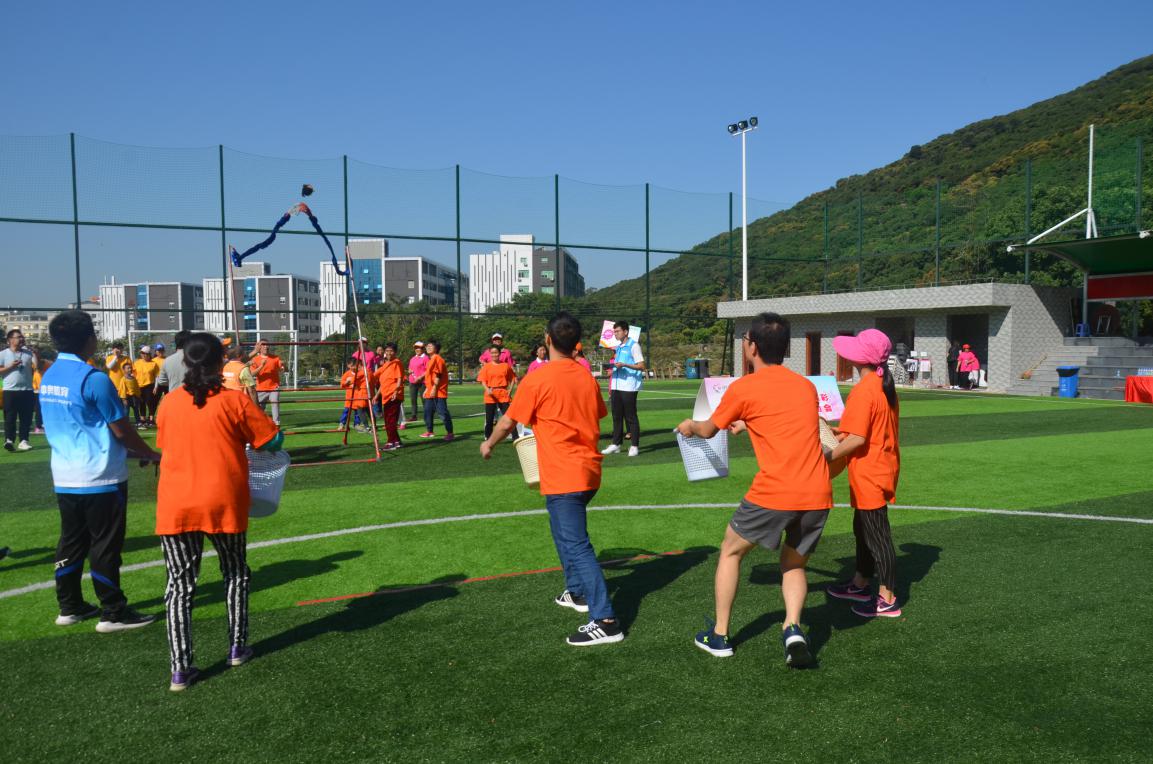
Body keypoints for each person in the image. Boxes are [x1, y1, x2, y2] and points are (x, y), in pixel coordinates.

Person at [677, 312, 831, 667]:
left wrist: (689, 425)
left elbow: (708, 429)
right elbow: (785, 420)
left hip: (776, 491)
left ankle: (719, 635)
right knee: (793, 564)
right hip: (817, 491)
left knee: (731, 551)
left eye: (746, 339)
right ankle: (793, 627)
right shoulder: (805, 386)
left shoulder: (744, 387)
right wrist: (749, 423)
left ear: (753, 348)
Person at [480, 312, 622, 646]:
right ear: (577, 343)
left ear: (547, 339)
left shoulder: (538, 378)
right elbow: (598, 413)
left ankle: (606, 620)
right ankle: (577, 592)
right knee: (561, 532)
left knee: (577, 544)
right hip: (587, 471)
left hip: (564, 474)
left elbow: (508, 421)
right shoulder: (585, 376)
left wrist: (488, 444)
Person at [155, 332, 283, 691]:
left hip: (176, 504)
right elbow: (270, 439)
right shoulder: (233, 401)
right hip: (223, 499)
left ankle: (180, 668)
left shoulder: (169, 403)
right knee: (236, 573)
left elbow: (165, 443)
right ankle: (237, 647)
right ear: (218, 362)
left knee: (179, 586)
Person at [40, 310, 160, 633]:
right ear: (89, 339)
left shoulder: (49, 375)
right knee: (105, 545)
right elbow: (121, 430)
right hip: (100, 477)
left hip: (64, 476)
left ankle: (70, 606)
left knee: (71, 541)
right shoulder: (93, 378)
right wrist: (148, 452)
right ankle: (113, 612)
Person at [827, 329, 903, 618]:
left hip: (870, 473)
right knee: (863, 529)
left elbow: (857, 439)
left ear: (860, 358)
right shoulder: (882, 385)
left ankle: (887, 598)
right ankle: (860, 583)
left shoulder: (864, 390)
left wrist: (825, 458)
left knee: (877, 537)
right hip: (880, 468)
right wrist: (840, 432)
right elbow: (863, 431)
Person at [602, 320, 645, 458]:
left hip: (629, 386)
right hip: (616, 385)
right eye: (614, 331)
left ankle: (634, 446)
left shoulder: (634, 345)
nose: (615, 334)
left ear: (625, 332)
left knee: (630, 416)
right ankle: (616, 444)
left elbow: (641, 366)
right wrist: (612, 370)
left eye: (617, 331)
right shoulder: (619, 347)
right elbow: (618, 365)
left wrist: (625, 365)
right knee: (616, 415)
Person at [1, 328, 39, 451]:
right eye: (19, 337)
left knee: (26, 417)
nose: (22, 339)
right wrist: (10, 366)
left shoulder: (28, 353)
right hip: (10, 390)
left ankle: (24, 441)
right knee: (10, 417)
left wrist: (35, 354)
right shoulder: (3, 354)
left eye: (22, 337)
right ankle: (9, 440)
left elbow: (37, 367)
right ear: (10, 340)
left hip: (27, 390)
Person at [477, 344, 518, 440]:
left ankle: (515, 437)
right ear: (490, 354)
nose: (494, 354)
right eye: (492, 353)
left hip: (503, 393)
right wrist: (487, 390)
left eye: (496, 352)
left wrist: (510, 390)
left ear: (499, 353)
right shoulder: (486, 367)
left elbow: (512, 378)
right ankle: (488, 437)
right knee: (490, 419)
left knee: (509, 417)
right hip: (490, 394)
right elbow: (482, 380)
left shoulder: (505, 366)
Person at [374, 343, 405, 450]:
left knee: (390, 420)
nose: (388, 353)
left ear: (395, 352)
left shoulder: (396, 363)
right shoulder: (386, 364)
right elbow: (382, 382)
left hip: (393, 396)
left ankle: (390, 442)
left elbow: (400, 379)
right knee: (389, 420)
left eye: (391, 351)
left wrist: (396, 391)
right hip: (386, 395)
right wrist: (376, 395)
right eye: (387, 351)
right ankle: (397, 441)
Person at [420, 340, 454, 441]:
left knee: (443, 413)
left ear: (436, 348)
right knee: (427, 411)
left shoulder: (438, 359)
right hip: (431, 391)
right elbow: (430, 376)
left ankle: (450, 433)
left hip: (439, 391)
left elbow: (438, 375)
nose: (428, 347)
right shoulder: (430, 359)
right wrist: (427, 388)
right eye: (427, 346)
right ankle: (430, 431)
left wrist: (434, 388)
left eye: (431, 346)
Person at [250, 339, 284, 424]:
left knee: (275, 404)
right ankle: (260, 424)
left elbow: (282, 369)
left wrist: (284, 366)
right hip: (261, 389)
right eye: (263, 345)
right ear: (259, 347)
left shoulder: (276, 358)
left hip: (274, 387)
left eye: (267, 345)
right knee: (259, 409)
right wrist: (261, 366)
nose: (266, 346)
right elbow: (252, 374)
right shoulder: (255, 359)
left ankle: (276, 424)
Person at [133, 345, 161, 428]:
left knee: (150, 402)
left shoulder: (153, 364)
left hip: (149, 385)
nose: (143, 355)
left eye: (145, 353)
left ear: (149, 354)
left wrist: (156, 387)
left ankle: (151, 419)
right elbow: (134, 375)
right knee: (141, 403)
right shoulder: (137, 363)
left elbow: (157, 376)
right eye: (142, 353)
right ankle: (143, 419)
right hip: (139, 386)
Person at [339, 359, 370, 431]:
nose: (353, 367)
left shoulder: (360, 373)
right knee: (346, 411)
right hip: (349, 397)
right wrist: (347, 383)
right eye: (351, 366)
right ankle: (342, 423)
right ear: (348, 366)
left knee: (358, 412)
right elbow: (342, 384)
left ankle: (357, 424)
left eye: (354, 365)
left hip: (358, 397)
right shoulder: (347, 374)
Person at [407, 341, 429, 425]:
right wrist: (409, 371)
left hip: (422, 382)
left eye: (418, 348)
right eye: (415, 348)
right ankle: (414, 415)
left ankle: (427, 415)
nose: (417, 349)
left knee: (424, 400)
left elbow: (428, 370)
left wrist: (420, 377)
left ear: (422, 349)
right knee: (413, 400)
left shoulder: (426, 358)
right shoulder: (412, 358)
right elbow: (410, 369)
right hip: (412, 382)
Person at [119, 361, 143, 425]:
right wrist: (124, 399)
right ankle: (126, 423)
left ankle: (138, 422)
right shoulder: (123, 379)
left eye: (130, 368)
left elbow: (137, 388)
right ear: (124, 370)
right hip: (127, 397)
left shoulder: (134, 378)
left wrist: (139, 396)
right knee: (126, 411)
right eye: (128, 368)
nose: (130, 369)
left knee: (136, 410)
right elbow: (122, 389)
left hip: (134, 397)